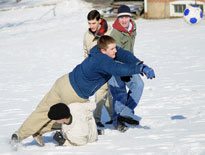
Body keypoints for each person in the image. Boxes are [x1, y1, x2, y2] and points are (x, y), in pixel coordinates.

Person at [11, 35, 155, 146]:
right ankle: (40, 130)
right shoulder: (103, 61)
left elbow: (123, 54)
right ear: (104, 50)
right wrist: (140, 68)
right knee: (76, 123)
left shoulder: (98, 51)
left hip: (63, 81)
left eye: (115, 48)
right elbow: (118, 68)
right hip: (74, 95)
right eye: (112, 49)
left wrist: (139, 63)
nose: (115, 51)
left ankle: (18, 135)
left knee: (42, 111)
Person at [108, 5, 145, 130]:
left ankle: (126, 114)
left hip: (129, 64)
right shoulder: (115, 34)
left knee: (138, 85)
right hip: (115, 66)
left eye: (126, 17)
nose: (124, 20)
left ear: (130, 17)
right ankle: (118, 120)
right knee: (120, 94)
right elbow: (116, 54)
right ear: (118, 18)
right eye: (121, 17)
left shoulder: (133, 28)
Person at [83, 10, 112, 127]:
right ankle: (103, 118)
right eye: (89, 23)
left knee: (109, 93)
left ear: (99, 21)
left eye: (93, 23)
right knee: (102, 92)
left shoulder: (109, 32)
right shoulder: (87, 34)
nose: (91, 26)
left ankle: (109, 118)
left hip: (110, 67)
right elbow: (86, 51)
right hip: (95, 69)